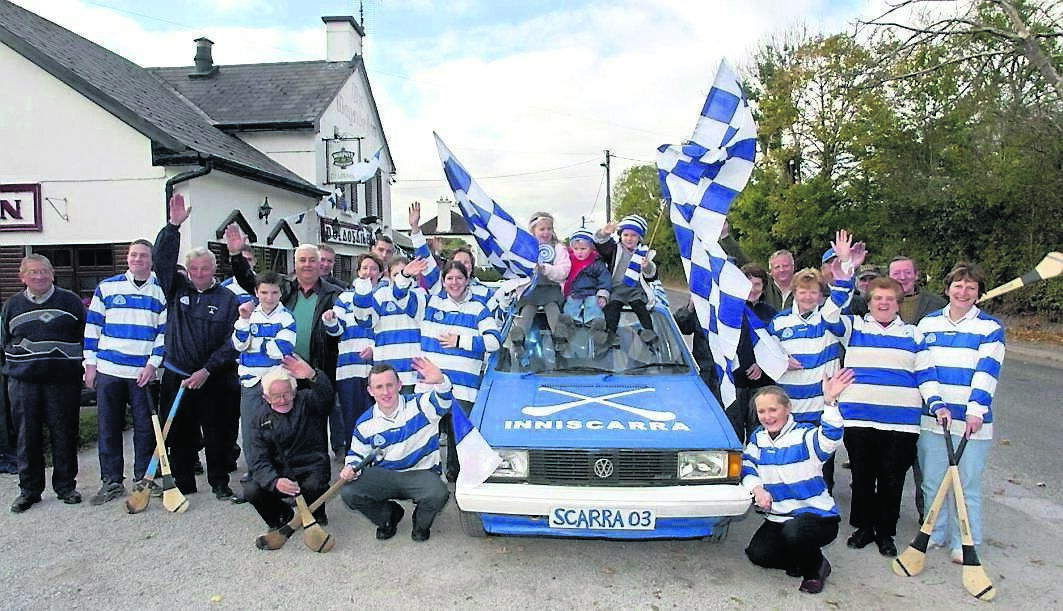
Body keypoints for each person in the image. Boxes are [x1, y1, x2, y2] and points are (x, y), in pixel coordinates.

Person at [829, 261, 945, 557]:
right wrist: (844, 274)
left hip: (901, 422)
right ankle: (864, 527)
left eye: (890, 299)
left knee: (892, 480)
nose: (884, 303)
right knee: (864, 477)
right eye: (878, 298)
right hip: (859, 419)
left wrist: (937, 404)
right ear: (869, 302)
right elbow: (829, 315)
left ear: (898, 303)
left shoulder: (913, 335)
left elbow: (926, 375)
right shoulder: (853, 327)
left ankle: (885, 533)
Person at [917, 262, 1005, 564]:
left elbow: (987, 371)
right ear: (947, 289)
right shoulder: (927, 325)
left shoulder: (990, 328)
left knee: (966, 485)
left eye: (971, 287)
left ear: (978, 293)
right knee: (932, 481)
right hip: (934, 418)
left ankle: (965, 540)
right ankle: (934, 533)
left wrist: (976, 411)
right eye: (958, 285)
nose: (964, 291)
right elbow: (924, 370)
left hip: (973, 423)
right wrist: (936, 404)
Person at [155, 195, 242, 500]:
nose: (201, 274)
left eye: (206, 269)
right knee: (178, 431)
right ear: (188, 271)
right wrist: (173, 227)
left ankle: (220, 482)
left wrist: (207, 370)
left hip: (213, 377)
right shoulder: (176, 289)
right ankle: (182, 482)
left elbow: (234, 342)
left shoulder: (227, 299)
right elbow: (161, 262)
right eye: (195, 269)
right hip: (177, 376)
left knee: (217, 433)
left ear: (214, 269)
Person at [742, 369, 854, 595]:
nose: (767, 416)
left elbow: (831, 438)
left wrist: (830, 403)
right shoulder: (758, 438)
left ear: (788, 409)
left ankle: (815, 569)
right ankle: (801, 559)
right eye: (761, 411)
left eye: (773, 409)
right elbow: (748, 466)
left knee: (794, 533)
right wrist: (757, 489)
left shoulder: (805, 435)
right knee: (758, 554)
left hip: (816, 516)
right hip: (779, 515)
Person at [768, 231, 864, 491]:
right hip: (790, 409)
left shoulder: (830, 319)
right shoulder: (779, 323)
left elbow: (841, 296)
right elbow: (765, 357)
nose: (808, 297)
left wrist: (845, 264)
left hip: (822, 410)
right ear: (795, 292)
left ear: (821, 294)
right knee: (790, 465)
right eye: (802, 291)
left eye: (813, 292)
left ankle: (821, 514)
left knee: (822, 471)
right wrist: (781, 362)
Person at [231, 241, 344, 459]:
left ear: (320, 263)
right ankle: (275, 468)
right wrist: (236, 254)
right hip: (282, 369)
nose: (307, 264)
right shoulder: (284, 289)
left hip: (315, 367)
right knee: (279, 420)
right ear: (295, 263)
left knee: (314, 421)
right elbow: (252, 282)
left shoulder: (335, 294)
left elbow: (340, 330)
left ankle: (315, 468)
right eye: (302, 260)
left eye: (312, 260)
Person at [395, 259, 500, 482]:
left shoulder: (479, 308)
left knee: (458, 443)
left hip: (464, 389)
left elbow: (494, 342)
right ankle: (426, 480)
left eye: (459, 278)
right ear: (443, 282)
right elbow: (400, 298)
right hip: (429, 386)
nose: (454, 283)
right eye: (450, 278)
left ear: (467, 280)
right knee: (425, 435)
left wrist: (460, 340)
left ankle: (458, 485)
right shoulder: (429, 303)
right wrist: (405, 275)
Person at [83, 239, 167, 505]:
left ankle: (143, 479)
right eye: (133, 255)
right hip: (109, 369)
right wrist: (90, 364)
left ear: (151, 260)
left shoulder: (160, 291)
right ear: (127, 258)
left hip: (142, 372)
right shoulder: (107, 287)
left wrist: (153, 364)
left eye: (143, 255)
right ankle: (111, 481)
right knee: (109, 427)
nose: (137, 259)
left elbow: (163, 334)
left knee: (144, 428)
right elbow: (93, 327)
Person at [2, 255, 86, 513]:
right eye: (33, 272)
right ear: (22, 276)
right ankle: (29, 491)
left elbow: (86, 336)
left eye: (44, 272)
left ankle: (65, 486)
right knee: (27, 437)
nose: (39, 277)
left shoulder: (70, 302)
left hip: (62, 382)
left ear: (52, 274)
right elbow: (4, 339)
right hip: (24, 382)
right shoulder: (12, 305)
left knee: (64, 434)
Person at [339, 359, 453, 542]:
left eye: (390, 385)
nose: (385, 392)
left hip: (420, 473)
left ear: (399, 385)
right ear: (370, 391)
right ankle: (388, 516)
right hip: (386, 476)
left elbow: (444, 401)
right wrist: (350, 468)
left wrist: (441, 381)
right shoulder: (364, 423)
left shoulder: (421, 405)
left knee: (438, 493)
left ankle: (421, 523)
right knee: (349, 492)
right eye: (379, 387)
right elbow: (356, 455)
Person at [244, 355, 334, 528]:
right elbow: (258, 460)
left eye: (286, 394)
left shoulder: (308, 401)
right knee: (252, 489)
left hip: (311, 466)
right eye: (276, 396)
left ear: (294, 392)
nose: (282, 400)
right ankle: (281, 516)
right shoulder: (258, 418)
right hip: (279, 471)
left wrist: (313, 376)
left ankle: (316, 513)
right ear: (266, 398)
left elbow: (327, 397)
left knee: (314, 484)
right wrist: (274, 481)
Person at [232, 271, 296, 476]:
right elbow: (239, 344)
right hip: (250, 381)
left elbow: (281, 349)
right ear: (256, 292)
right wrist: (244, 321)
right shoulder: (247, 314)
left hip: (277, 382)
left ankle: (282, 474)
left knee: (279, 429)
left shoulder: (287, 317)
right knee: (251, 431)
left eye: (274, 292)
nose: (269, 297)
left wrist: (257, 344)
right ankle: (255, 474)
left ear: (281, 293)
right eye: (264, 292)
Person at [322, 253, 380, 455]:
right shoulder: (345, 298)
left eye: (373, 268)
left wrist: (376, 350)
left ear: (380, 273)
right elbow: (337, 331)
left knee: (377, 416)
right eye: (364, 268)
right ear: (358, 272)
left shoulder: (384, 296)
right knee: (351, 417)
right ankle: (353, 459)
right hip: (349, 368)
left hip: (378, 368)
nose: (368, 272)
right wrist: (330, 321)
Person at [594, 214, 659, 346]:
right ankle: (611, 334)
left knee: (640, 309)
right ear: (620, 236)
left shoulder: (644, 252)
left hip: (635, 290)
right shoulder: (614, 249)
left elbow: (652, 276)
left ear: (639, 238)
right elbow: (601, 246)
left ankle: (649, 332)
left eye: (633, 235)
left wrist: (647, 267)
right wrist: (604, 233)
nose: (629, 239)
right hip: (616, 289)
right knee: (613, 308)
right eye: (626, 235)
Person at [732, 264, 779, 441]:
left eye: (757, 284)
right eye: (748, 284)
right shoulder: (730, 311)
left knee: (759, 431)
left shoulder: (771, 313)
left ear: (764, 286)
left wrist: (762, 364)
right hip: (736, 380)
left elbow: (776, 346)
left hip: (763, 381)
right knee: (734, 431)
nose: (752, 289)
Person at [511, 212, 570, 344]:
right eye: (541, 229)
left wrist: (547, 269)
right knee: (527, 309)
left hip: (551, 288)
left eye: (549, 229)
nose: (546, 232)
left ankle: (559, 335)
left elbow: (564, 270)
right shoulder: (525, 249)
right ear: (533, 230)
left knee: (552, 308)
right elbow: (518, 269)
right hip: (531, 289)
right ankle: (519, 335)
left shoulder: (559, 248)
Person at [555, 228, 611, 346]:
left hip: (592, 292)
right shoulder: (568, 262)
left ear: (592, 249)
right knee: (570, 305)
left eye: (583, 249)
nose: (579, 252)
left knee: (594, 304)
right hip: (574, 292)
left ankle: (596, 323)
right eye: (576, 249)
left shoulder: (596, 262)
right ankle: (570, 321)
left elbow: (604, 279)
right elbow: (562, 274)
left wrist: (603, 295)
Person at [889, 256, 946, 324]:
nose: (902, 277)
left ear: (916, 275)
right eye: (896, 273)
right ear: (889, 277)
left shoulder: (937, 303)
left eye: (908, 272)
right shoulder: (878, 304)